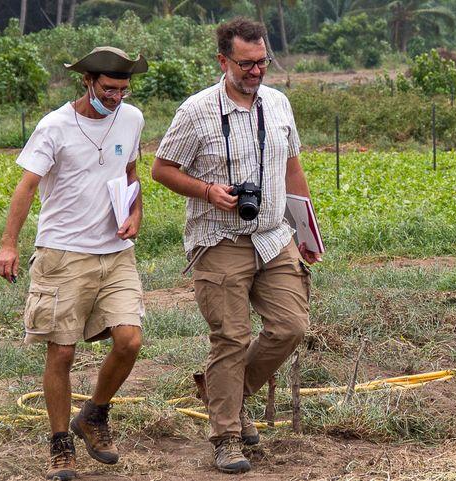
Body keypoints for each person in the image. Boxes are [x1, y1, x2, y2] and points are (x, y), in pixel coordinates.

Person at [151, 17, 321, 475]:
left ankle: (225, 390)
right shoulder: (197, 111)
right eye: (246, 63)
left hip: (273, 235)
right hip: (219, 237)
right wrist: (208, 191)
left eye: (262, 61)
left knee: (290, 327)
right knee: (231, 337)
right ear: (223, 61)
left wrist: (306, 230)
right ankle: (226, 436)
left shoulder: (279, 104)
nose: (255, 71)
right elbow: (161, 169)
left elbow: (291, 169)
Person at [0, 47, 148, 481]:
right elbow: (26, 188)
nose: (116, 98)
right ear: (87, 83)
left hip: (115, 252)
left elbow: (131, 173)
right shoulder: (55, 126)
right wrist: (9, 244)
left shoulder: (132, 119)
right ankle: (60, 444)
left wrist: (135, 212)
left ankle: (94, 414)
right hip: (62, 252)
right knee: (61, 351)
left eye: (123, 89)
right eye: (108, 89)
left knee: (129, 340)